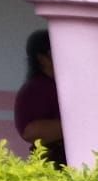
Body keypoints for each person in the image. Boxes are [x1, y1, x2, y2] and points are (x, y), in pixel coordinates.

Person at [14, 30, 64, 167]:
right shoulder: (35, 89)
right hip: (52, 162)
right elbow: (30, 132)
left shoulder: (65, 85)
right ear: (42, 59)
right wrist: (77, 126)